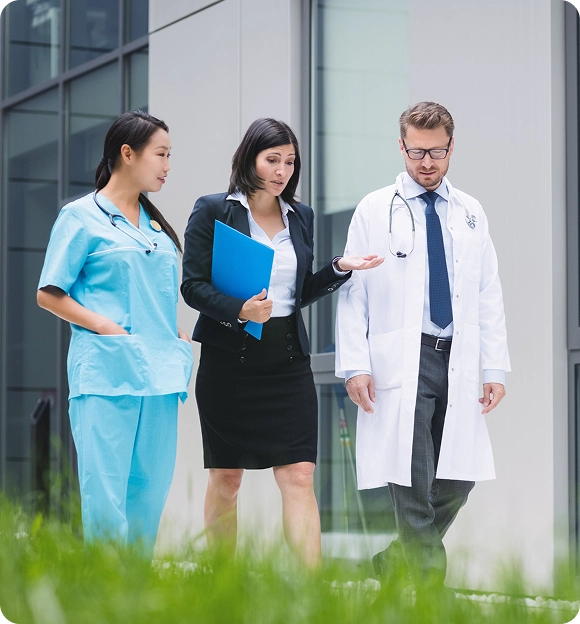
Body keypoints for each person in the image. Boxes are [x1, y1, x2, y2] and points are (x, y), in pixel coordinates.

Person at [181, 118, 383, 567]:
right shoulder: (214, 209)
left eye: (289, 161)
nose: (282, 170)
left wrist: (338, 268)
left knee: (298, 475)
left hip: (287, 363)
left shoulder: (301, 215)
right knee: (227, 478)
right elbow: (192, 286)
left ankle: (309, 596)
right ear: (249, 157)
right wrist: (240, 308)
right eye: (272, 159)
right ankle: (222, 583)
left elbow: (298, 292)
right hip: (228, 363)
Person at [335, 102, 510, 595]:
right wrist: (355, 365)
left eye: (436, 152)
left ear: (452, 147)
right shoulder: (374, 208)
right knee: (411, 479)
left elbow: (488, 293)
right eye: (416, 152)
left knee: (458, 478)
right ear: (402, 147)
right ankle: (431, 586)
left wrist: (494, 366)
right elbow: (354, 293)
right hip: (402, 358)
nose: (426, 162)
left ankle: (395, 558)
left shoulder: (471, 212)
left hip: (455, 356)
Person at [37, 110, 193, 559]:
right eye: (160, 155)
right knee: (106, 499)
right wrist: (106, 326)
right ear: (128, 154)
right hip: (107, 373)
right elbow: (49, 294)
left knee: (149, 495)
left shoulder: (159, 228)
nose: (167, 165)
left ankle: (134, 598)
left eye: (169, 155)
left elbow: (154, 297)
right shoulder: (81, 217)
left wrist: (175, 336)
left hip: (160, 376)